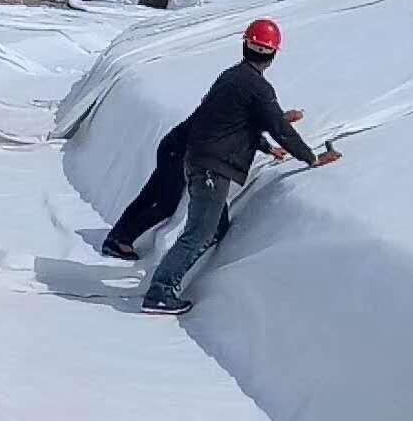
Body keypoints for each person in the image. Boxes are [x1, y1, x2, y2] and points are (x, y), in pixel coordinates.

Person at [141, 18, 340, 314]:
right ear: (273, 55)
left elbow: (235, 123)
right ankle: (160, 292)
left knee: (215, 228)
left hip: (198, 161)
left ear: (245, 45)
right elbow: (277, 127)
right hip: (213, 169)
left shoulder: (230, 78)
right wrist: (311, 158)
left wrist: (266, 146)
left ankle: (179, 279)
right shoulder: (258, 88)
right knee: (199, 233)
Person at [101, 108, 301, 261]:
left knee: (150, 195)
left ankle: (118, 237)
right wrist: (275, 135)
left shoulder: (225, 99)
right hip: (179, 153)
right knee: (165, 205)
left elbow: (245, 124)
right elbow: (242, 127)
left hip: (173, 146)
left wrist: (275, 129)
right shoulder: (227, 106)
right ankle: (121, 239)